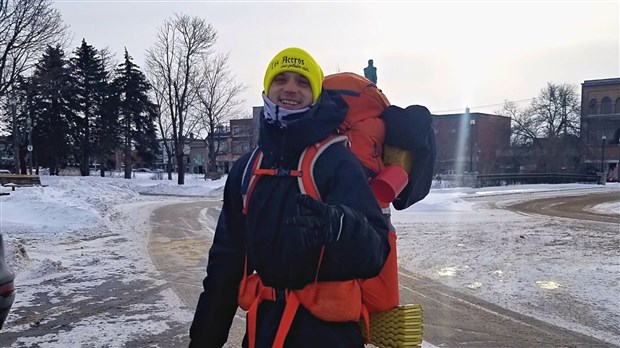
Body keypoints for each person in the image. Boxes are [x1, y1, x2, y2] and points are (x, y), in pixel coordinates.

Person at [189, 47, 390, 347]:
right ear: (267, 89)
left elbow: (375, 254)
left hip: (330, 337)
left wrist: (341, 228)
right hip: (265, 333)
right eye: (281, 79)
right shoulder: (248, 170)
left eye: (303, 82)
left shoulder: (337, 162)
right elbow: (225, 269)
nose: (290, 88)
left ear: (316, 94)